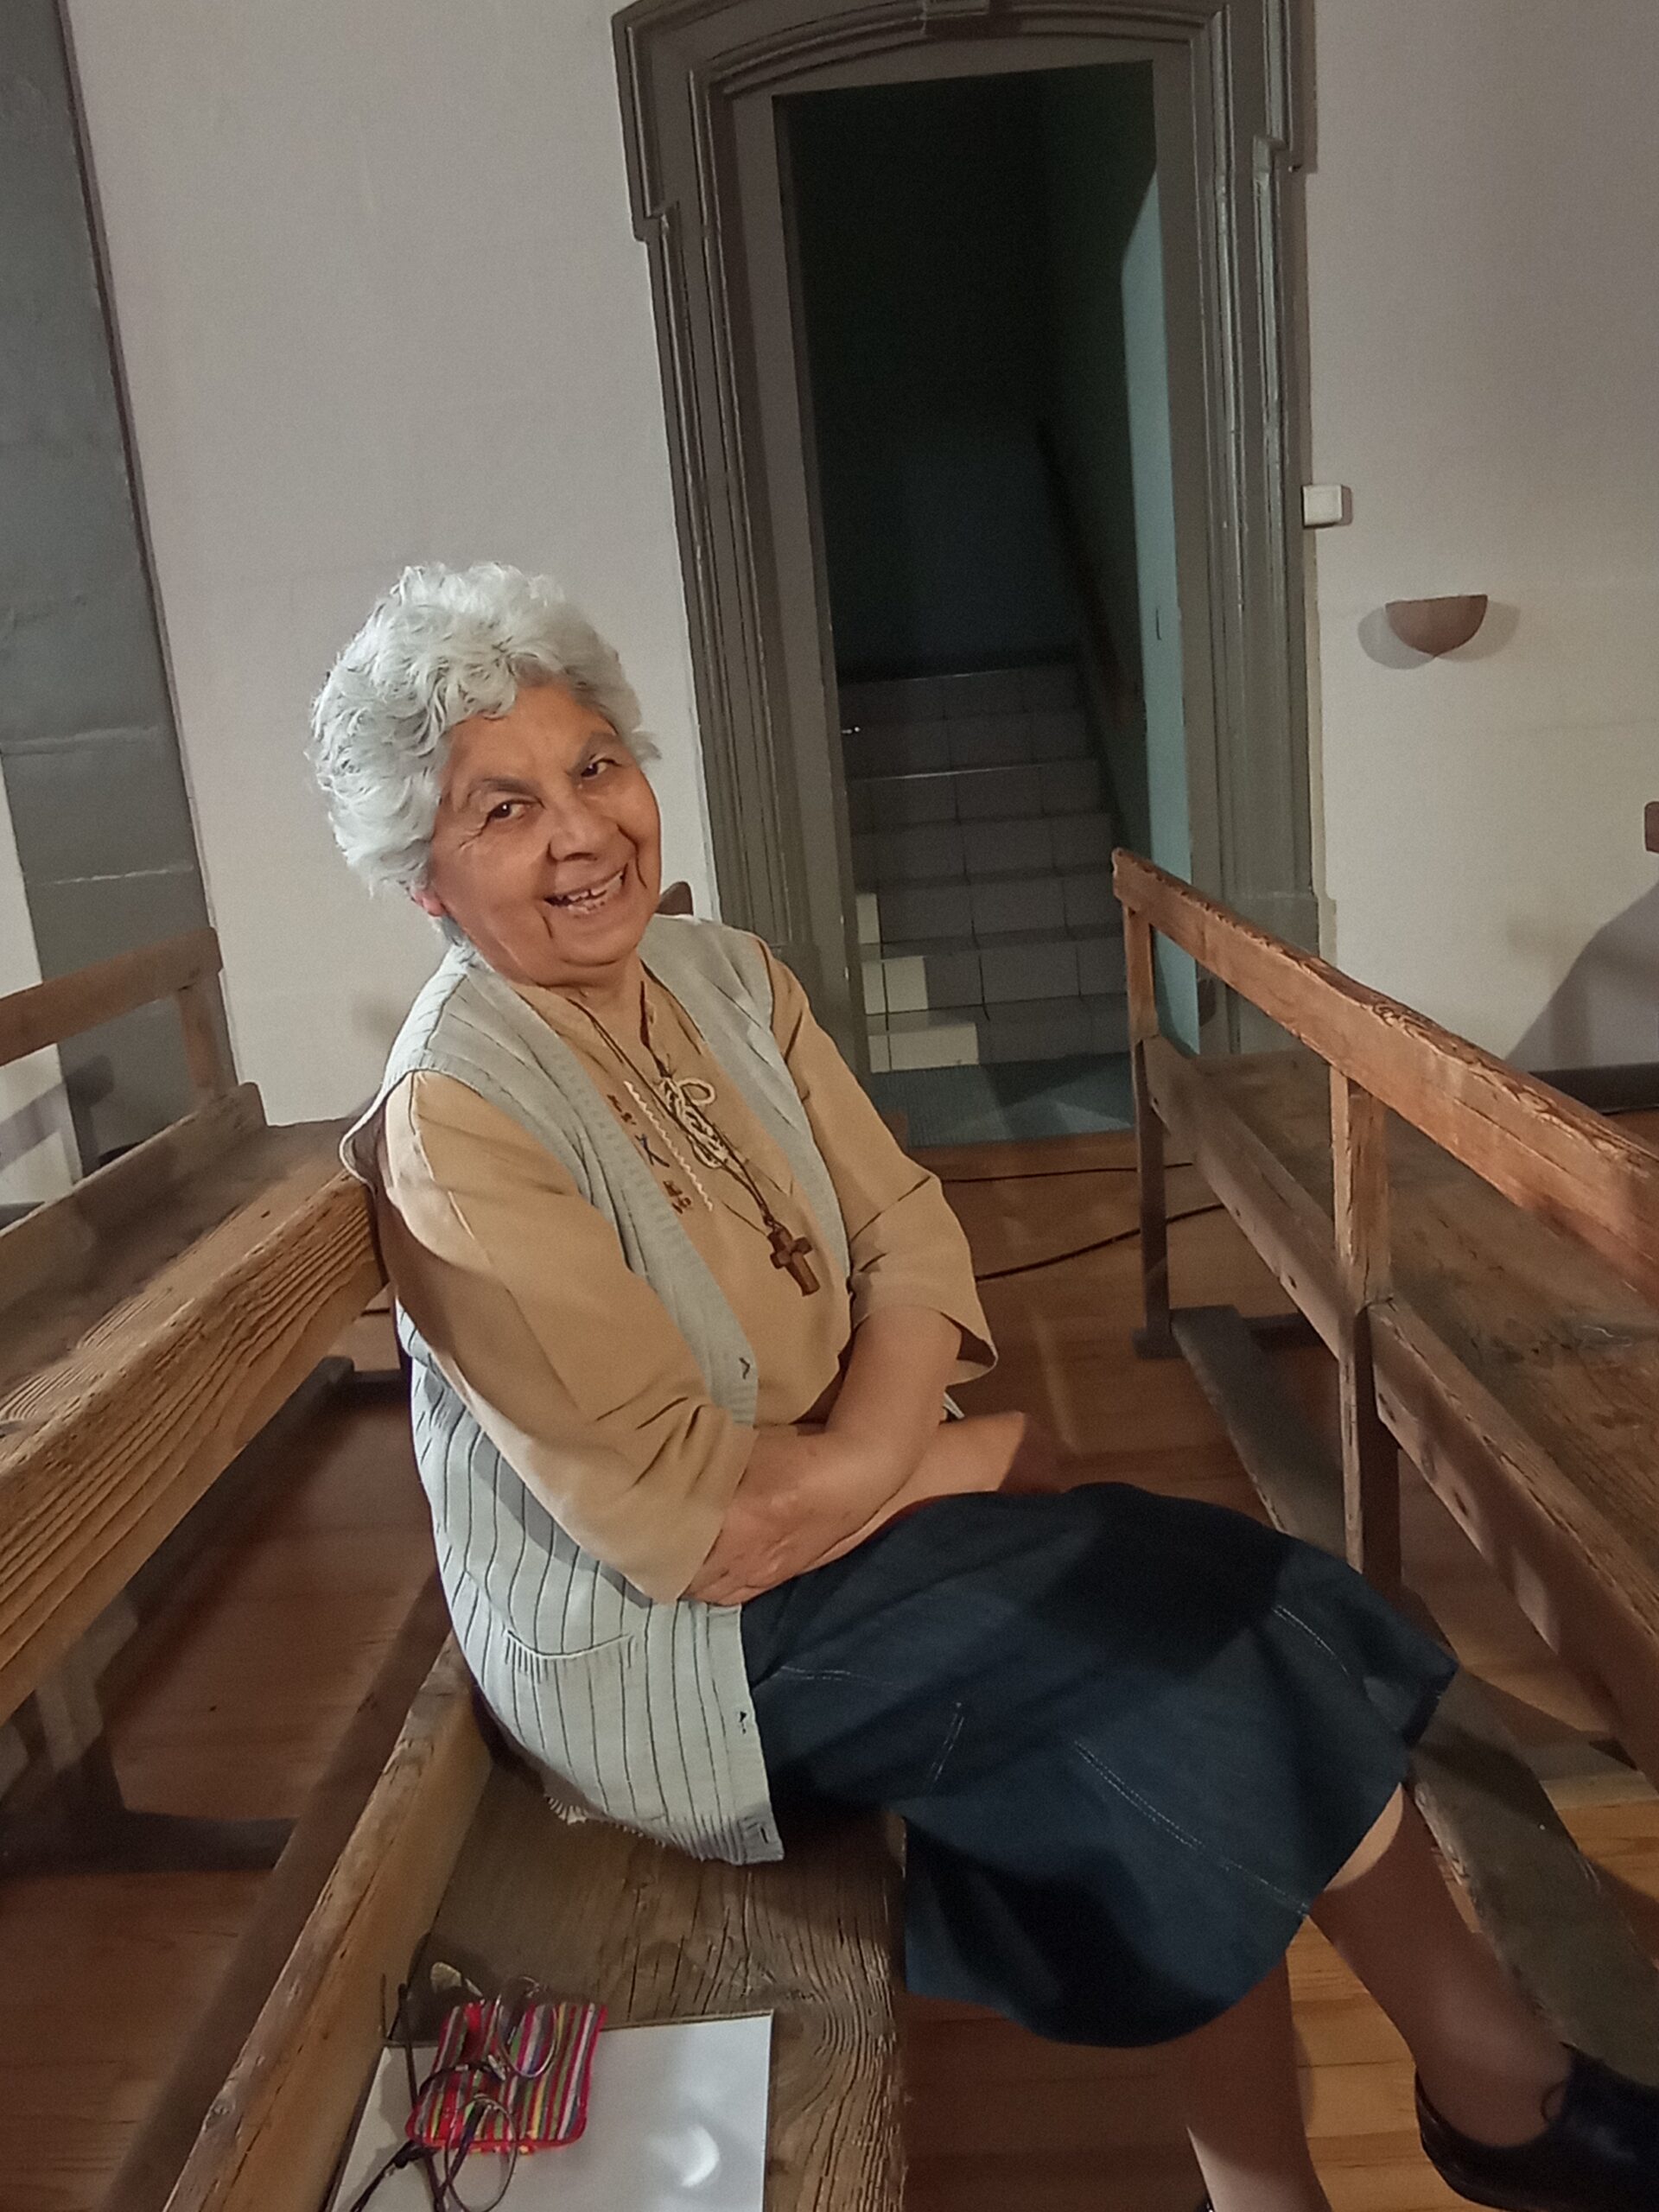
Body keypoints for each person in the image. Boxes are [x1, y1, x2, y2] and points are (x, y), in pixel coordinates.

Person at [313, 563, 1658, 2212]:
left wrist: (894, 1452)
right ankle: (1483, 2106)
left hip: (851, 1525)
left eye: (596, 766)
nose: (584, 831)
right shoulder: (458, 1116)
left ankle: (1471, 2099)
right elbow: (702, 1534)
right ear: (426, 881)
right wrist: (957, 1453)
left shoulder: (726, 977)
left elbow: (905, 1230)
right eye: (505, 809)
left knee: (1247, 1600)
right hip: (671, 1652)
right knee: (1178, 1679)